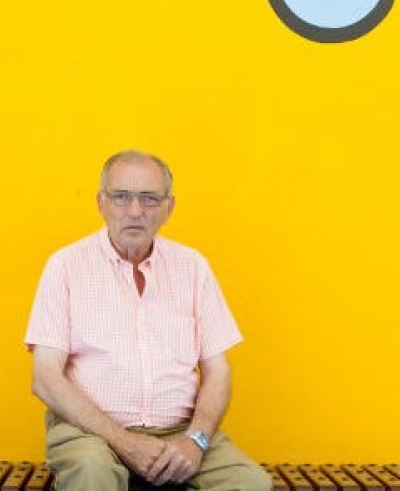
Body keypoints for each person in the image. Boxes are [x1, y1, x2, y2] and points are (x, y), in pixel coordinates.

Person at [24, 150, 271, 491]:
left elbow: (219, 371)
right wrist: (125, 442)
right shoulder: (65, 267)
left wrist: (195, 440)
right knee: (92, 473)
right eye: (121, 197)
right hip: (90, 433)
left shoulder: (193, 267)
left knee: (250, 484)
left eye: (149, 199)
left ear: (169, 208)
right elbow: (45, 377)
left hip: (179, 433)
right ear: (101, 203)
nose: (135, 211)